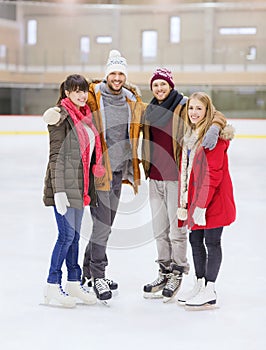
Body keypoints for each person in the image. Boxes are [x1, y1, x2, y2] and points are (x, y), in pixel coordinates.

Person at [42, 50, 143, 302]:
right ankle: (92, 275)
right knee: (88, 230)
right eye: (113, 73)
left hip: (108, 174)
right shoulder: (89, 101)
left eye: (121, 74)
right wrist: (60, 189)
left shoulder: (127, 100)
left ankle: (81, 276)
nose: (117, 78)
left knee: (95, 229)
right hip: (94, 177)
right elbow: (57, 153)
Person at [141, 68, 227, 302]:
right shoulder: (149, 110)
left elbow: (214, 113)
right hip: (154, 177)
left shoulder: (184, 104)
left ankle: (178, 272)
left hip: (175, 178)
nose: (159, 88)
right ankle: (164, 270)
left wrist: (215, 128)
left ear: (171, 85)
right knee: (159, 231)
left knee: (176, 230)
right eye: (155, 85)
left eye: (163, 84)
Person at [42, 74, 105, 307]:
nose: (81, 94)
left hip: (80, 187)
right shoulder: (60, 117)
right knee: (66, 236)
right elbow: (56, 155)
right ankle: (52, 285)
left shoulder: (86, 117)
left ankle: (73, 283)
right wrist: (58, 191)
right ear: (66, 93)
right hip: (64, 187)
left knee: (76, 237)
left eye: (84, 90)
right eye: (75, 90)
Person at [176, 91, 236, 309]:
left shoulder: (214, 138)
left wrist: (201, 205)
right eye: (191, 108)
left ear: (207, 110)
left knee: (212, 242)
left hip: (214, 201)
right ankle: (200, 284)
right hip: (196, 200)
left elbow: (213, 175)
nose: (194, 112)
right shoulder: (191, 135)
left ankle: (210, 289)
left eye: (199, 108)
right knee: (195, 241)